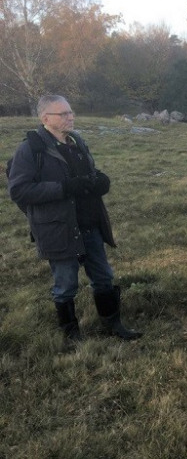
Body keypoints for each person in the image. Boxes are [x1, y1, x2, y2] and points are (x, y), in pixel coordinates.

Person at [7, 95, 141, 342]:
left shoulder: (76, 142)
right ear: (45, 118)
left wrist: (99, 180)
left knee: (103, 278)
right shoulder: (30, 149)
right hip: (59, 230)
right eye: (64, 114)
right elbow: (19, 190)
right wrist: (64, 188)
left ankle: (113, 323)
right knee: (65, 284)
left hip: (90, 226)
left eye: (71, 112)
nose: (71, 117)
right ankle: (71, 335)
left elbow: (87, 174)